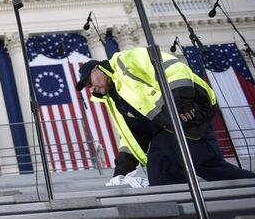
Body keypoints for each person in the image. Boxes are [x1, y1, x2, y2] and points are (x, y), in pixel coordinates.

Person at [75, 47, 255, 186]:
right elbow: (132, 134)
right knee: (159, 177)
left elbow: (169, 65)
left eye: (89, 82)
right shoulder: (113, 100)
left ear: (98, 69)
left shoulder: (124, 60)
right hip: (163, 131)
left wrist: (180, 100)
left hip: (188, 111)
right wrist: (123, 165)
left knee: (203, 164)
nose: (91, 88)